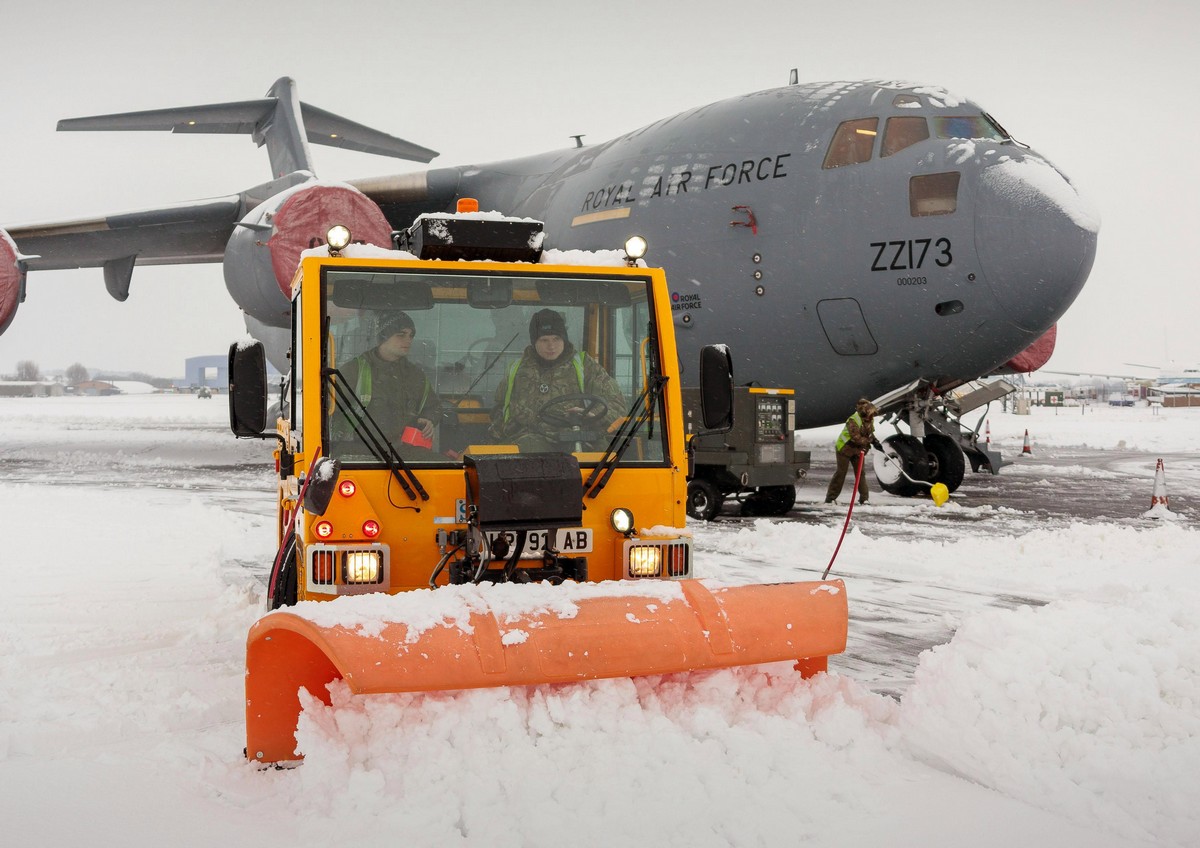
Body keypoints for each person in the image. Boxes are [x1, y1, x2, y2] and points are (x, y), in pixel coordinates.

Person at [490, 308, 626, 451]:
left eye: (556, 339)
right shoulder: (516, 370)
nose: (551, 346)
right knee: (530, 447)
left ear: (564, 339)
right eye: (544, 340)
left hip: (578, 437)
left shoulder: (585, 365)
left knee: (606, 454)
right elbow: (500, 411)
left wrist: (593, 415)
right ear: (534, 342)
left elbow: (617, 405)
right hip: (529, 442)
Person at [337, 311, 441, 450]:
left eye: (411, 335)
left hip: (405, 454)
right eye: (401, 335)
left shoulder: (415, 375)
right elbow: (330, 412)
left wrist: (429, 419)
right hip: (359, 452)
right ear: (383, 337)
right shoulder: (354, 371)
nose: (408, 340)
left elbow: (434, 407)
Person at [825, 397, 882, 504]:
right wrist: (869, 441)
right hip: (844, 449)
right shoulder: (853, 420)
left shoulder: (869, 419)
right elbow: (856, 437)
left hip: (857, 450)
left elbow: (869, 433)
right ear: (865, 411)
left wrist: (876, 442)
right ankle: (830, 498)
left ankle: (864, 499)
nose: (873, 415)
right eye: (871, 412)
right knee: (841, 473)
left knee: (861, 474)